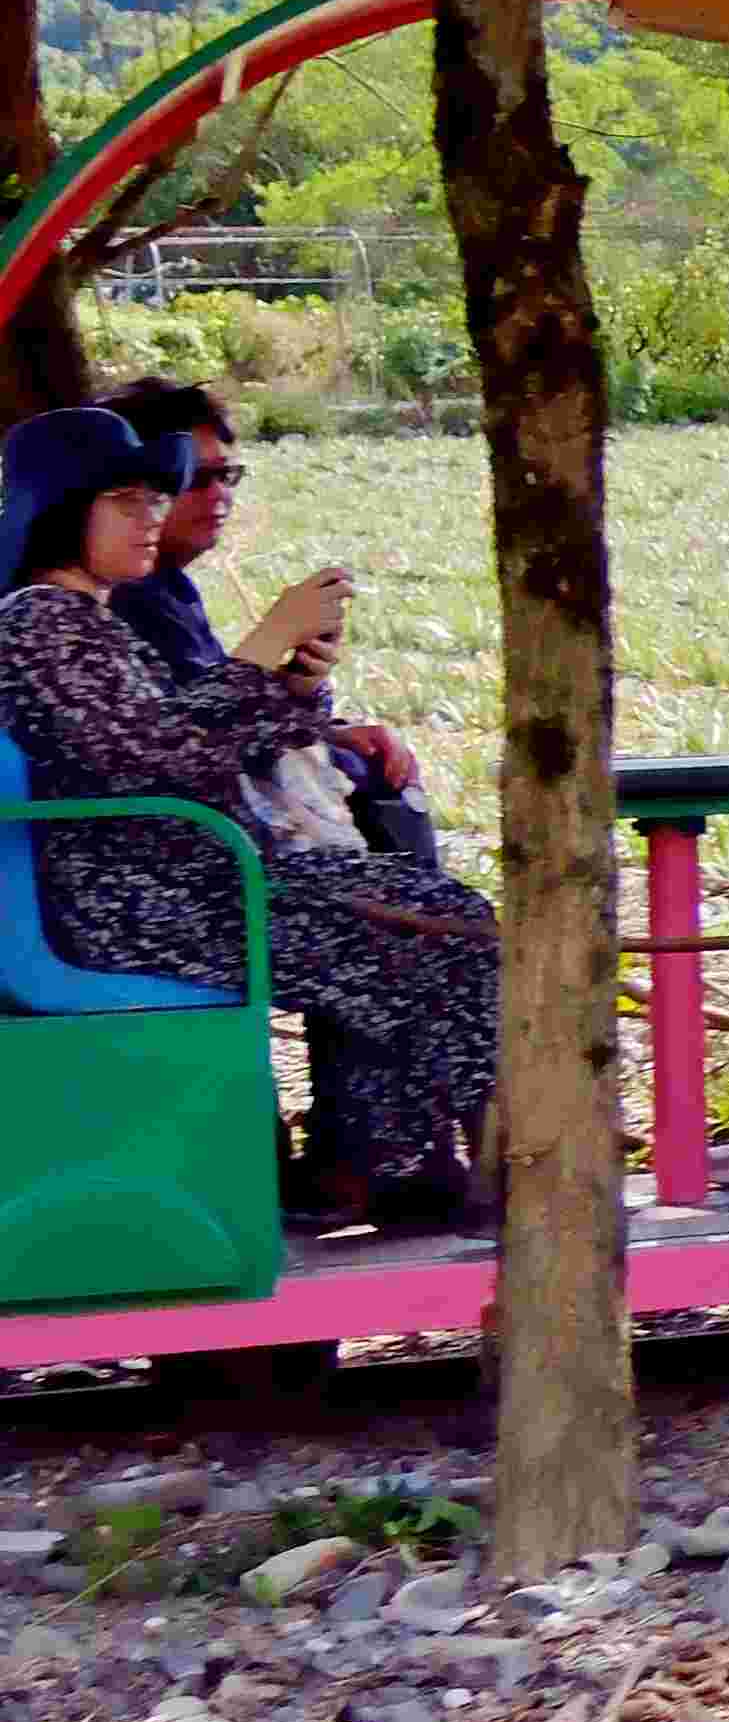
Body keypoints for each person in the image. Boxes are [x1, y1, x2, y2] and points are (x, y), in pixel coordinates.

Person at [0, 401, 505, 1232]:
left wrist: (295, 682)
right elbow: (152, 758)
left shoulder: (83, 620)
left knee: (430, 915)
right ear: (62, 510)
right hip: (139, 906)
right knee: (439, 921)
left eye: (153, 499)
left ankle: (381, 1165)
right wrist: (264, 644)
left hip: (178, 888)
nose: (152, 516)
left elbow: (189, 735)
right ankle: (414, 1167)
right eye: (125, 500)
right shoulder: (40, 625)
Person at [98, 382, 441, 879]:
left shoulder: (167, 589)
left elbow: (222, 715)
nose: (220, 496)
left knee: (377, 772)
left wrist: (304, 687)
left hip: (225, 843)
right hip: (195, 867)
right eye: (197, 477)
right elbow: (186, 745)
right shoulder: (100, 607)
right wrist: (275, 637)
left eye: (229, 476)